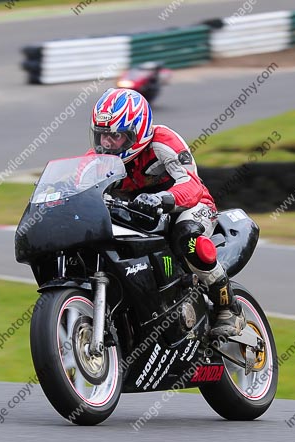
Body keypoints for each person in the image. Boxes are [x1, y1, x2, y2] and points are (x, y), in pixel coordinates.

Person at [89, 87, 245, 337]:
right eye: (101, 136)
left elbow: (192, 184)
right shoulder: (98, 158)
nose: (106, 143)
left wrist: (162, 198)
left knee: (188, 237)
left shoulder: (163, 142)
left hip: (189, 207)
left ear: (136, 132)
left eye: (115, 136)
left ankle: (229, 308)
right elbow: (79, 186)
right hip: (140, 217)